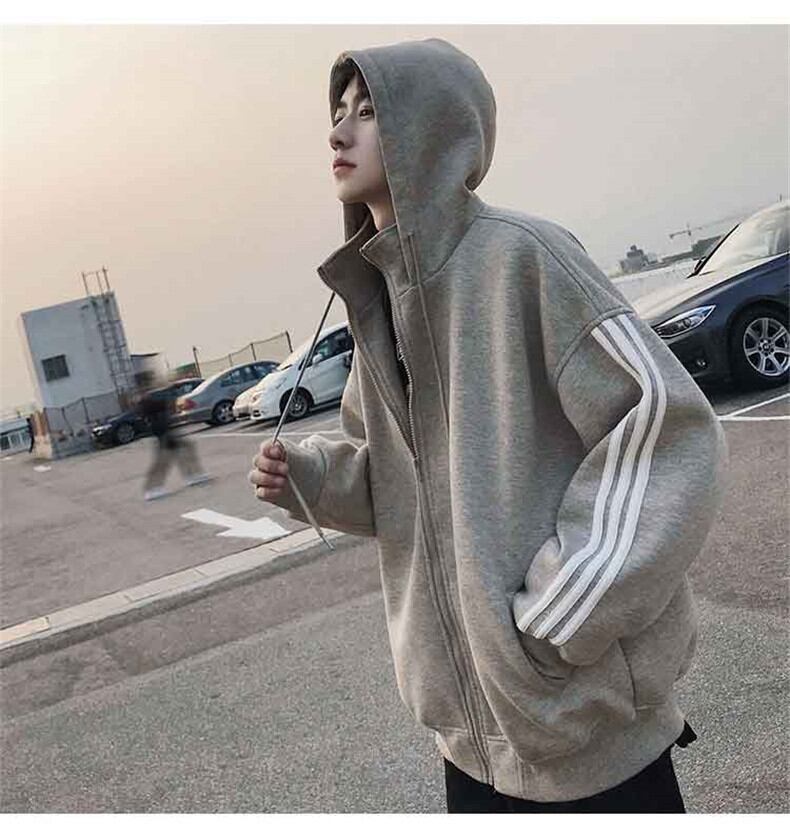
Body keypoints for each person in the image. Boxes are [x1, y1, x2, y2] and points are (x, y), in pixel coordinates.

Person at [248, 39, 728, 812]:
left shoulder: (523, 258)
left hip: (588, 736)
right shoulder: (379, 301)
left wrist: (559, 612)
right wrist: (311, 477)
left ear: (432, 125)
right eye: (338, 113)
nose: (338, 132)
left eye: (368, 113)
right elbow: (395, 481)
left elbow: (667, 430)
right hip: (468, 747)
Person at [141, 382, 210, 500]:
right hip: (162, 432)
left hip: (166, 431)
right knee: (163, 460)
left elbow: (165, 407)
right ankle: (152, 488)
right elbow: (158, 407)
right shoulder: (149, 402)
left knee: (185, 450)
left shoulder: (153, 399)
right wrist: (169, 401)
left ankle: (191, 475)